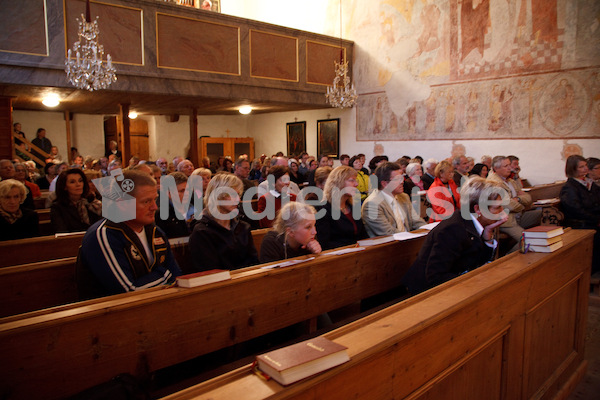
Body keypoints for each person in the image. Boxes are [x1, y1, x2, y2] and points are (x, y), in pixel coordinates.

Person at [78, 170, 182, 298]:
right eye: (146, 201)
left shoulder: (154, 231)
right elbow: (128, 291)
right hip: (112, 314)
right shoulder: (104, 235)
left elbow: (177, 276)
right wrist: (165, 274)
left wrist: (167, 277)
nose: (154, 207)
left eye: (154, 199)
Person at [402, 177, 508, 295]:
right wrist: (471, 283)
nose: (502, 212)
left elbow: (480, 261)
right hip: (425, 292)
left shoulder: (470, 222)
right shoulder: (453, 229)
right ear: (478, 209)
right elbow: (435, 276)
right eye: (497, 207)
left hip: (453, 285)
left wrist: (488, 234)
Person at [188, 173, 258, 272]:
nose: (237, 200)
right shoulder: (202, 232)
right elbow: (209, 271)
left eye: (238, 194)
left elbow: (254, 262)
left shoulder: (243, 227)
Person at [487, 156, 540, 253]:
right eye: (506, 166)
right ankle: (507, 259)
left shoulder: (510, 181)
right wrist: (522, 203)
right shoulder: (493, 183)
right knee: (527, 240)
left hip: (518, 215)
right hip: (506, 221)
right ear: (496, 168)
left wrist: (518, 199)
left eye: (509, 165)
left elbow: (528, 198)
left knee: (542, 213)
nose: (509, 168)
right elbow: (509, 205)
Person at [362, 161, 426, 237]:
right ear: (384, 183)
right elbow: (388, 232)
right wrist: (412, 236)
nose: (402, 182)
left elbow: (416, 221)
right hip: (389, 246)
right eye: (398, 179)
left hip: (408, 242)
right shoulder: (372, 204)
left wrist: (428, 230)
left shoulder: (403, 197)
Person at [560, 155, 600, 273]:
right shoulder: (570, 187)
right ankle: (591, 273)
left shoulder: (589, 184)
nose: (585, 169)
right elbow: (576, 210)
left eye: (585, 166)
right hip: (582, 224)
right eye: (581, 167)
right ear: (573, 169)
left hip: (593, 220)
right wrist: (596, 220)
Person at [315, 166, 368, 250]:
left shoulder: (352, 207)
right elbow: (325, 243)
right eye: (351, 180)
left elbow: (363, 235)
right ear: (338, 183)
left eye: (356, 180)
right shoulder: (323, 209)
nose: (356, 184)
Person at [50, 168, 102, 233]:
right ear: (64, 186)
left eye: (80, 181)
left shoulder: (91, 202)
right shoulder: (58, 207)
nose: (78, 184)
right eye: (72, 182)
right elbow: (61, 232)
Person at [156, 172, 192, 238]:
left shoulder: (195, 209)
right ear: (169, 194)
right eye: (182, 191)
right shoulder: (161, 214)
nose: (187, 194)